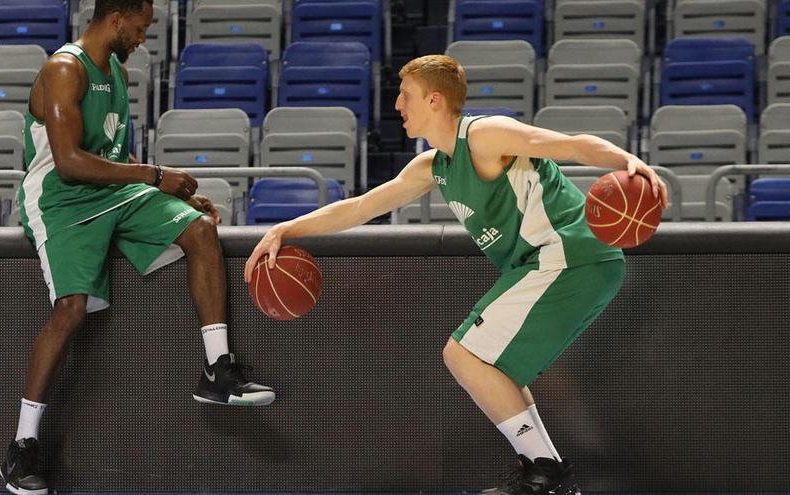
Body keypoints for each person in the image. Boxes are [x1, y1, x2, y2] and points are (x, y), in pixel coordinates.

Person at [245, 55, 667, 495]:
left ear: (434, 99)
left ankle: (547, 474)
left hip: (567, 254)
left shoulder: (484, 135)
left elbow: (568, 144)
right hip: (563, 265)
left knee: (462, 354)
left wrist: (627, 161)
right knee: (495, 370)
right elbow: (359, 207)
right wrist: (285, 228)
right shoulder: (434, 167)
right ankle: (545, 474)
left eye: (405, 95)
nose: (397, 104)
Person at [0, 1, 274, 494]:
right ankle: (22, 446)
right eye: (141, 28)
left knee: (199, 230)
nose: (144, 38)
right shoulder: (64, 68)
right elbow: (68, 162)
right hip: (61, 200)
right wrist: (154, 176)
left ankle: (217, 370)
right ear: (116, 18)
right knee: (71, 311)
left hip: (114, 191)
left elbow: (110, 153)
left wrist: (167, 188)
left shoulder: (116, 70)